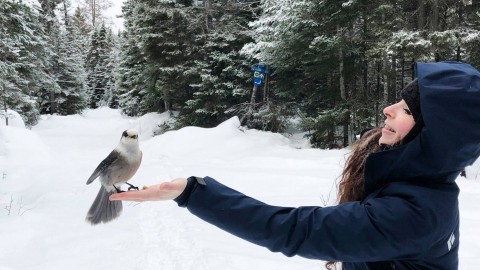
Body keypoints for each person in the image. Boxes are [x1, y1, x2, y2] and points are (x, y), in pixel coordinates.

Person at [110, 61, 480, 270]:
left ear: (435, 136)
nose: (388, 109)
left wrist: (190, 192)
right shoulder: (425, 186)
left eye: (406, 109)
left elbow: (295, 230)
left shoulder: (415, 211)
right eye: (396, 102)